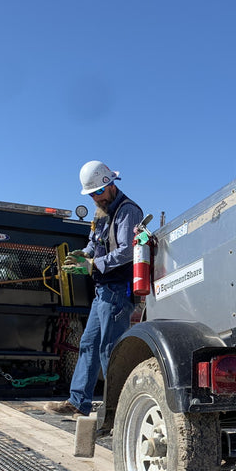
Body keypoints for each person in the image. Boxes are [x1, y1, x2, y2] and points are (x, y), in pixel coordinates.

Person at [45, 160, 143, 416]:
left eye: (97, 192)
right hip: (103, 292)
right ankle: (78, 402)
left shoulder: (127, 211)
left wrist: (92, 265)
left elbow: (128, 251)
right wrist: (83, 254)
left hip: (118, 291)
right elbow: (94, 243)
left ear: (110, 185)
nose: (95, 198)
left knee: (110, 350)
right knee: (89, 344)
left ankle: (117, 411)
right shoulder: (102, 212)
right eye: (91, 194)